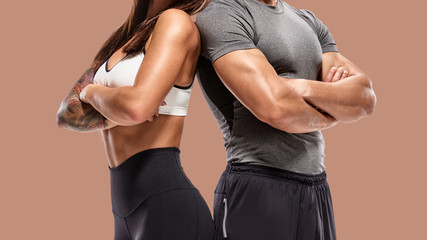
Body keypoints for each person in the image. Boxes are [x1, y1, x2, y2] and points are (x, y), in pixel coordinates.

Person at [195, 0, 376, 239]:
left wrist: (293, 86)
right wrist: (332, 105)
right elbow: (275, 108)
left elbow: (364, 98)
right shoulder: (223, 13)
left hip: (316, 187)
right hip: (258, 182)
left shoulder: (308, 21)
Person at [56, 0, 214, 239]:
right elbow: (65, 113)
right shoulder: (121, 37)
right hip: (123, 212)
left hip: (167, 207)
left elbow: (136, 108)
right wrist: (118, 106)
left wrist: (91, 93)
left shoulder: (175, 22)